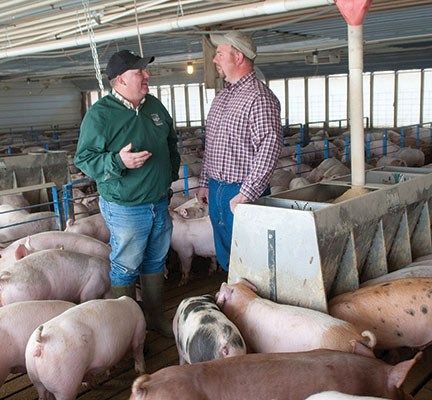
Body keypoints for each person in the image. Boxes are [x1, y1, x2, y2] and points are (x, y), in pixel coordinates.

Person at [75, 50, 180, 337]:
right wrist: (119, 162)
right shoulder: (100, 115)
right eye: (139, 73)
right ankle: (127, 329)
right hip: (126, 206)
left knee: (156, 260)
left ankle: (155, 318)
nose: (147, 76)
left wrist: (168, 177)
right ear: (120, 80)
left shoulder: (155, 107)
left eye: (145, 71)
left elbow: (171, 142)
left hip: (159, 201)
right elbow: (84, 159)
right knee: (126, 265)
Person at [198, 31, 282, 272]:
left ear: (238, 57)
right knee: (225, 252)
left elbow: (269, 145)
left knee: (250, 255)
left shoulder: (260, 97)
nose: (214, 60)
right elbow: (211, 144)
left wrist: (247, 192)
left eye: (219, 54)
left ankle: (251, 304)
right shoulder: (221, 98)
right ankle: (232, 295)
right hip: (216, 187)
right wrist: (205, 181)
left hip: (241, 189)